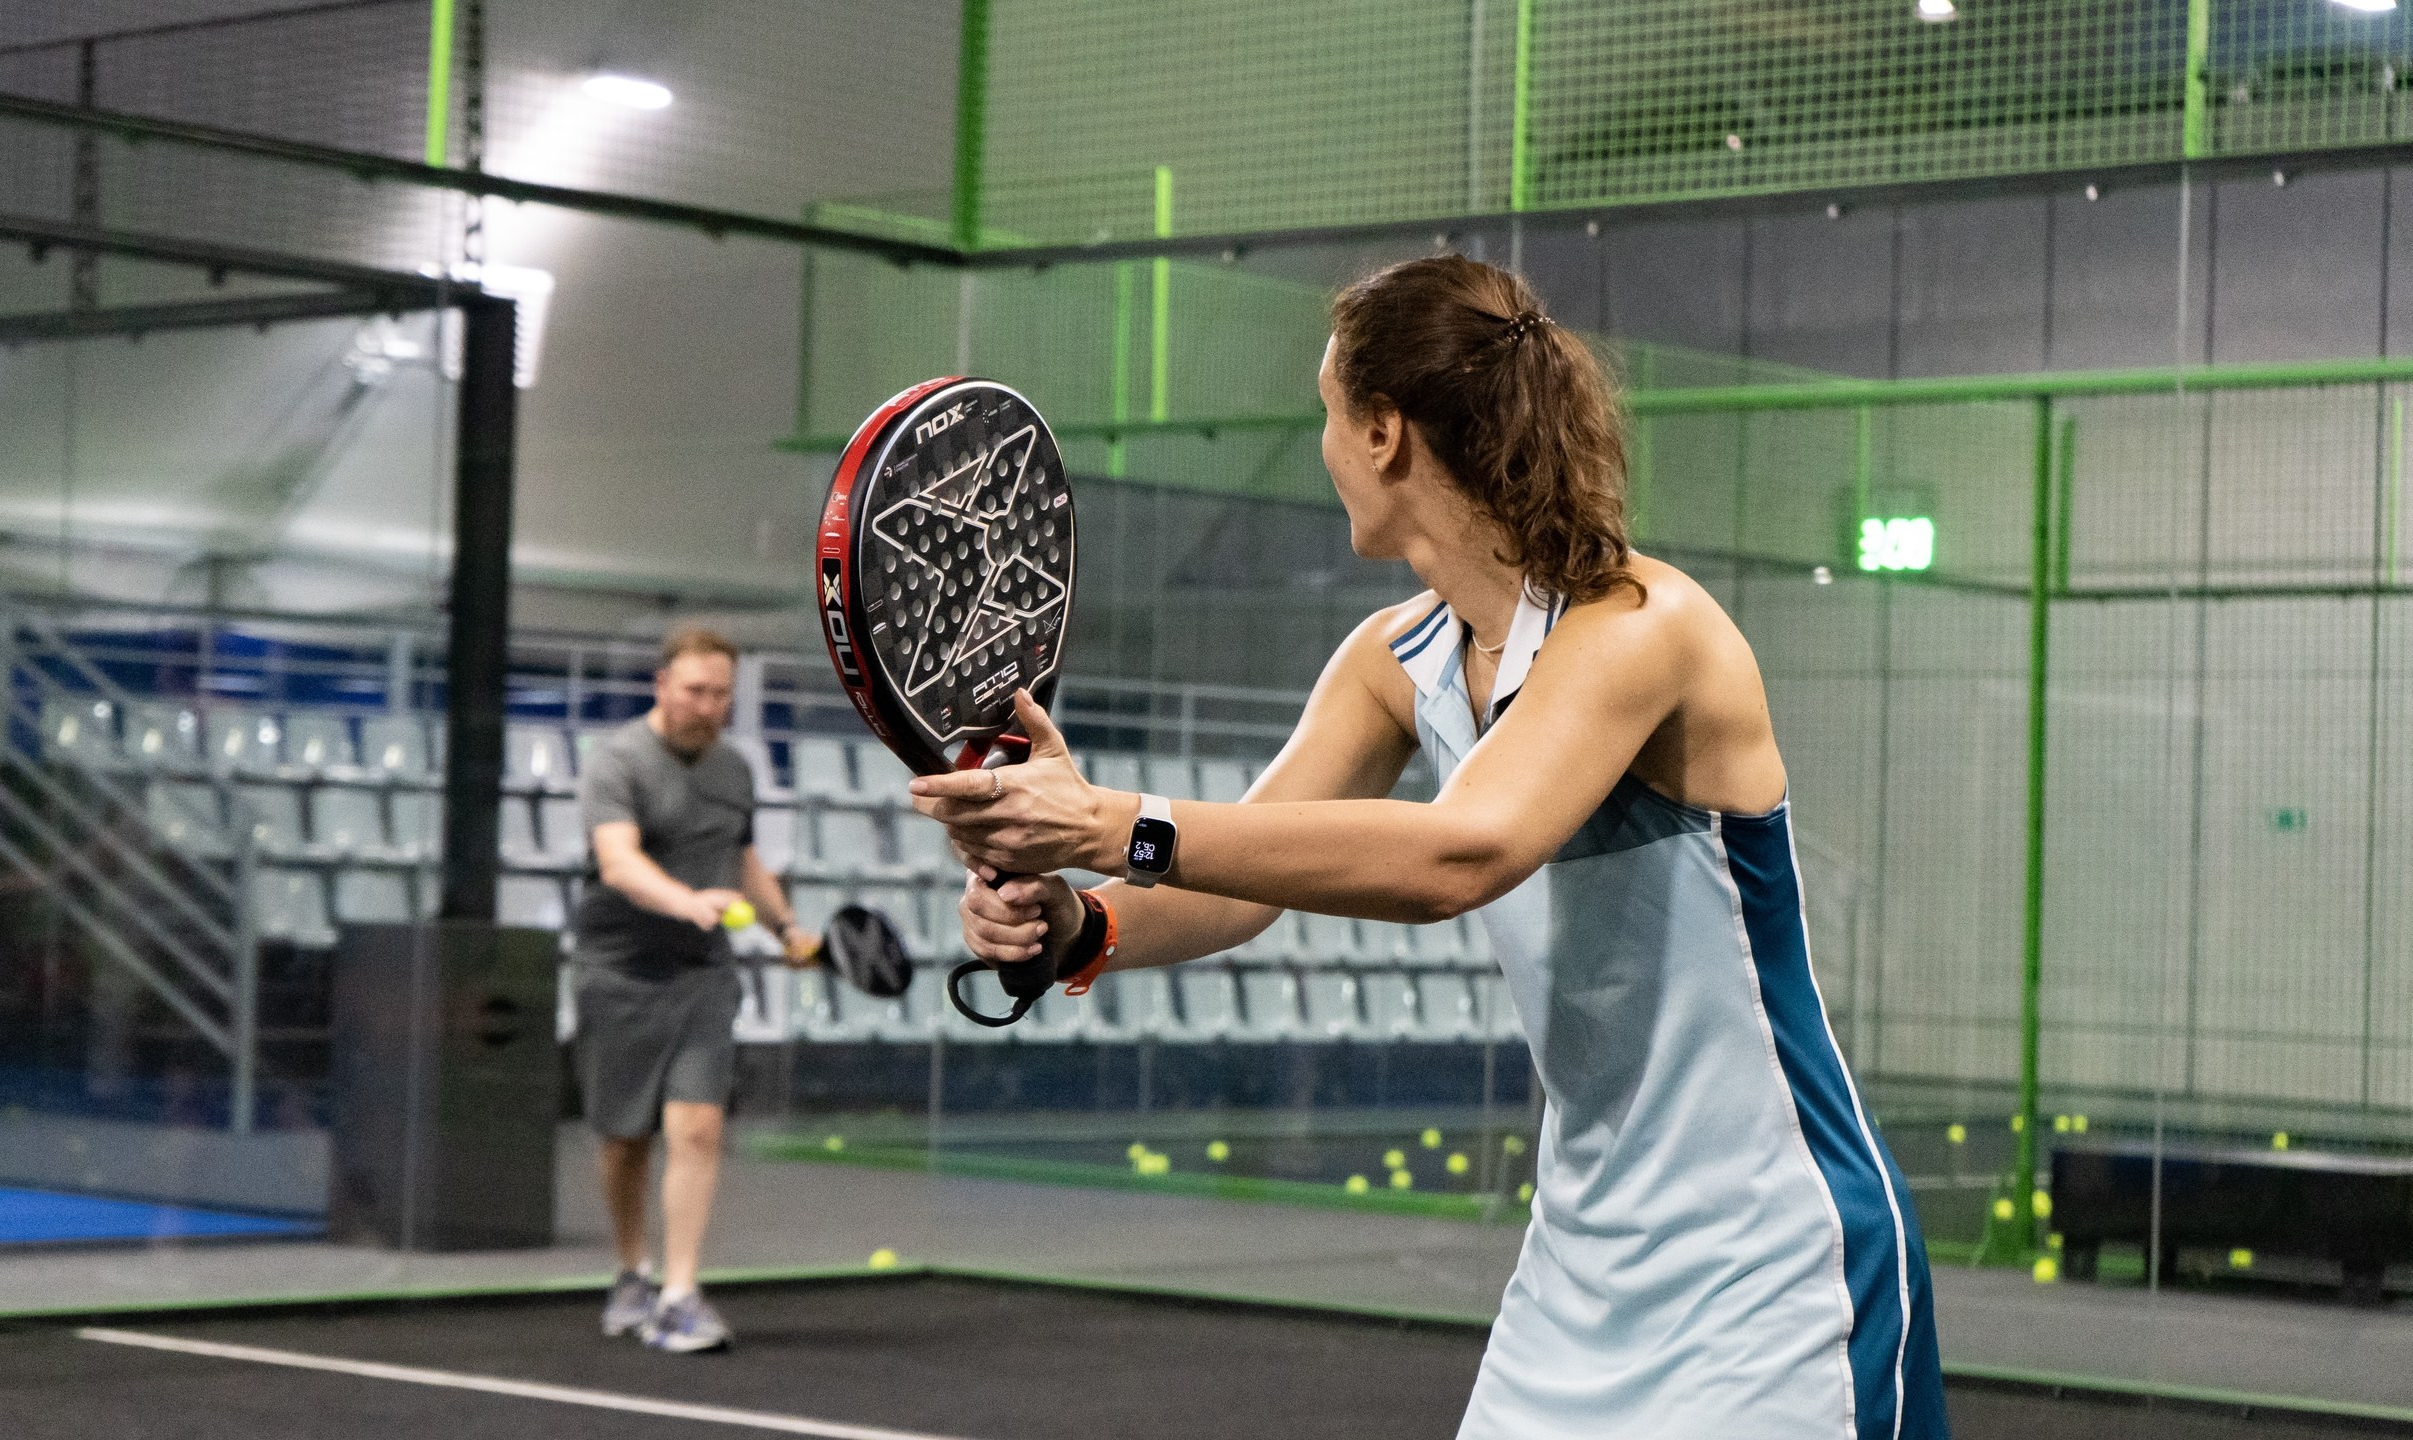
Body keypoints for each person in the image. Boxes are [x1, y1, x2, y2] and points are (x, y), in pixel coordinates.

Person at [915, 255, 1949, 1438]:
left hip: (1774, 1260)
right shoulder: (1392, 660)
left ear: (1382, 430)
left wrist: (1105, 820)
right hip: (1584, 1264)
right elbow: (1237, 883)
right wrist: (1074, 923)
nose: (1319, 446)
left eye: (1323, 415)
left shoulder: (1641, 627)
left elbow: (1457, 857)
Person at [572, 624, 817, 1353]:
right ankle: (630, 1272)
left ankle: (680, 1294)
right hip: (617, 968)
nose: (708, 705)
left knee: (697, 1128)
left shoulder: (736, 769)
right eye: (695, 690)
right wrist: (685, 900)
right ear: (662, 686)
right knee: (624, 1142)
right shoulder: (616, 762)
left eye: (721, 694)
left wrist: (785, 927)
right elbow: (617, 863)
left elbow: (741, 860)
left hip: (703, 973)